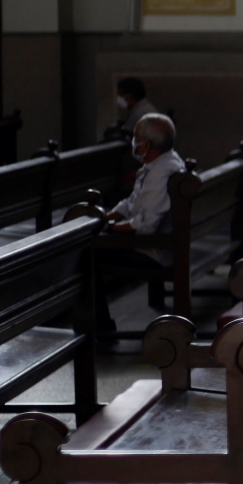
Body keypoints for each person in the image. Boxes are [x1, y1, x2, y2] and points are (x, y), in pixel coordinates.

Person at [95, 113, 185, 341]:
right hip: (164, 242)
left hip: (156, 251)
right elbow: (134, 202)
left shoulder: (160, 172)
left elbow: (145, 226)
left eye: (135, 137)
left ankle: (100, 326)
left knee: (89, 253)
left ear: (146, 145)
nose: (133, 142)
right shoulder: (162, 161)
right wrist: (107, 217)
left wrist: (111, 229)